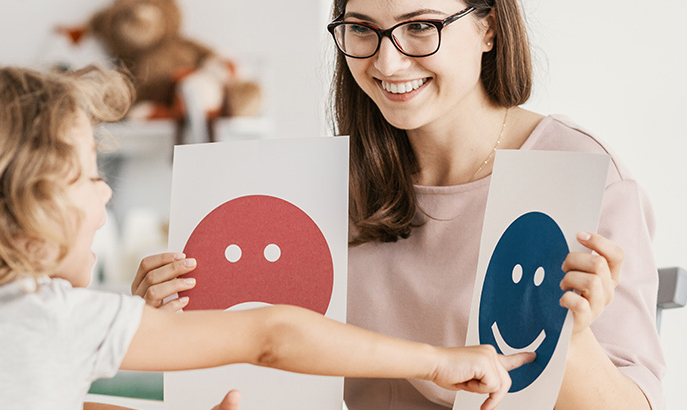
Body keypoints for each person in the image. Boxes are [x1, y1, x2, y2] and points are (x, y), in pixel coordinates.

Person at [0, 65, 533, 410]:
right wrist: (435, 360)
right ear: (15, 211)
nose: (106, 192)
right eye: (87, 176)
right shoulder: (51, 319)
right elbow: (272, 333)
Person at [132, 0, 666, 409]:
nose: (387, 61)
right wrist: (169, 325)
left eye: (420, 26)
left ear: (489, 28)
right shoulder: (319, 186)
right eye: (362, 28)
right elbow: (269, 361)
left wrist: (569, 336)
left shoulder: (578, 174)